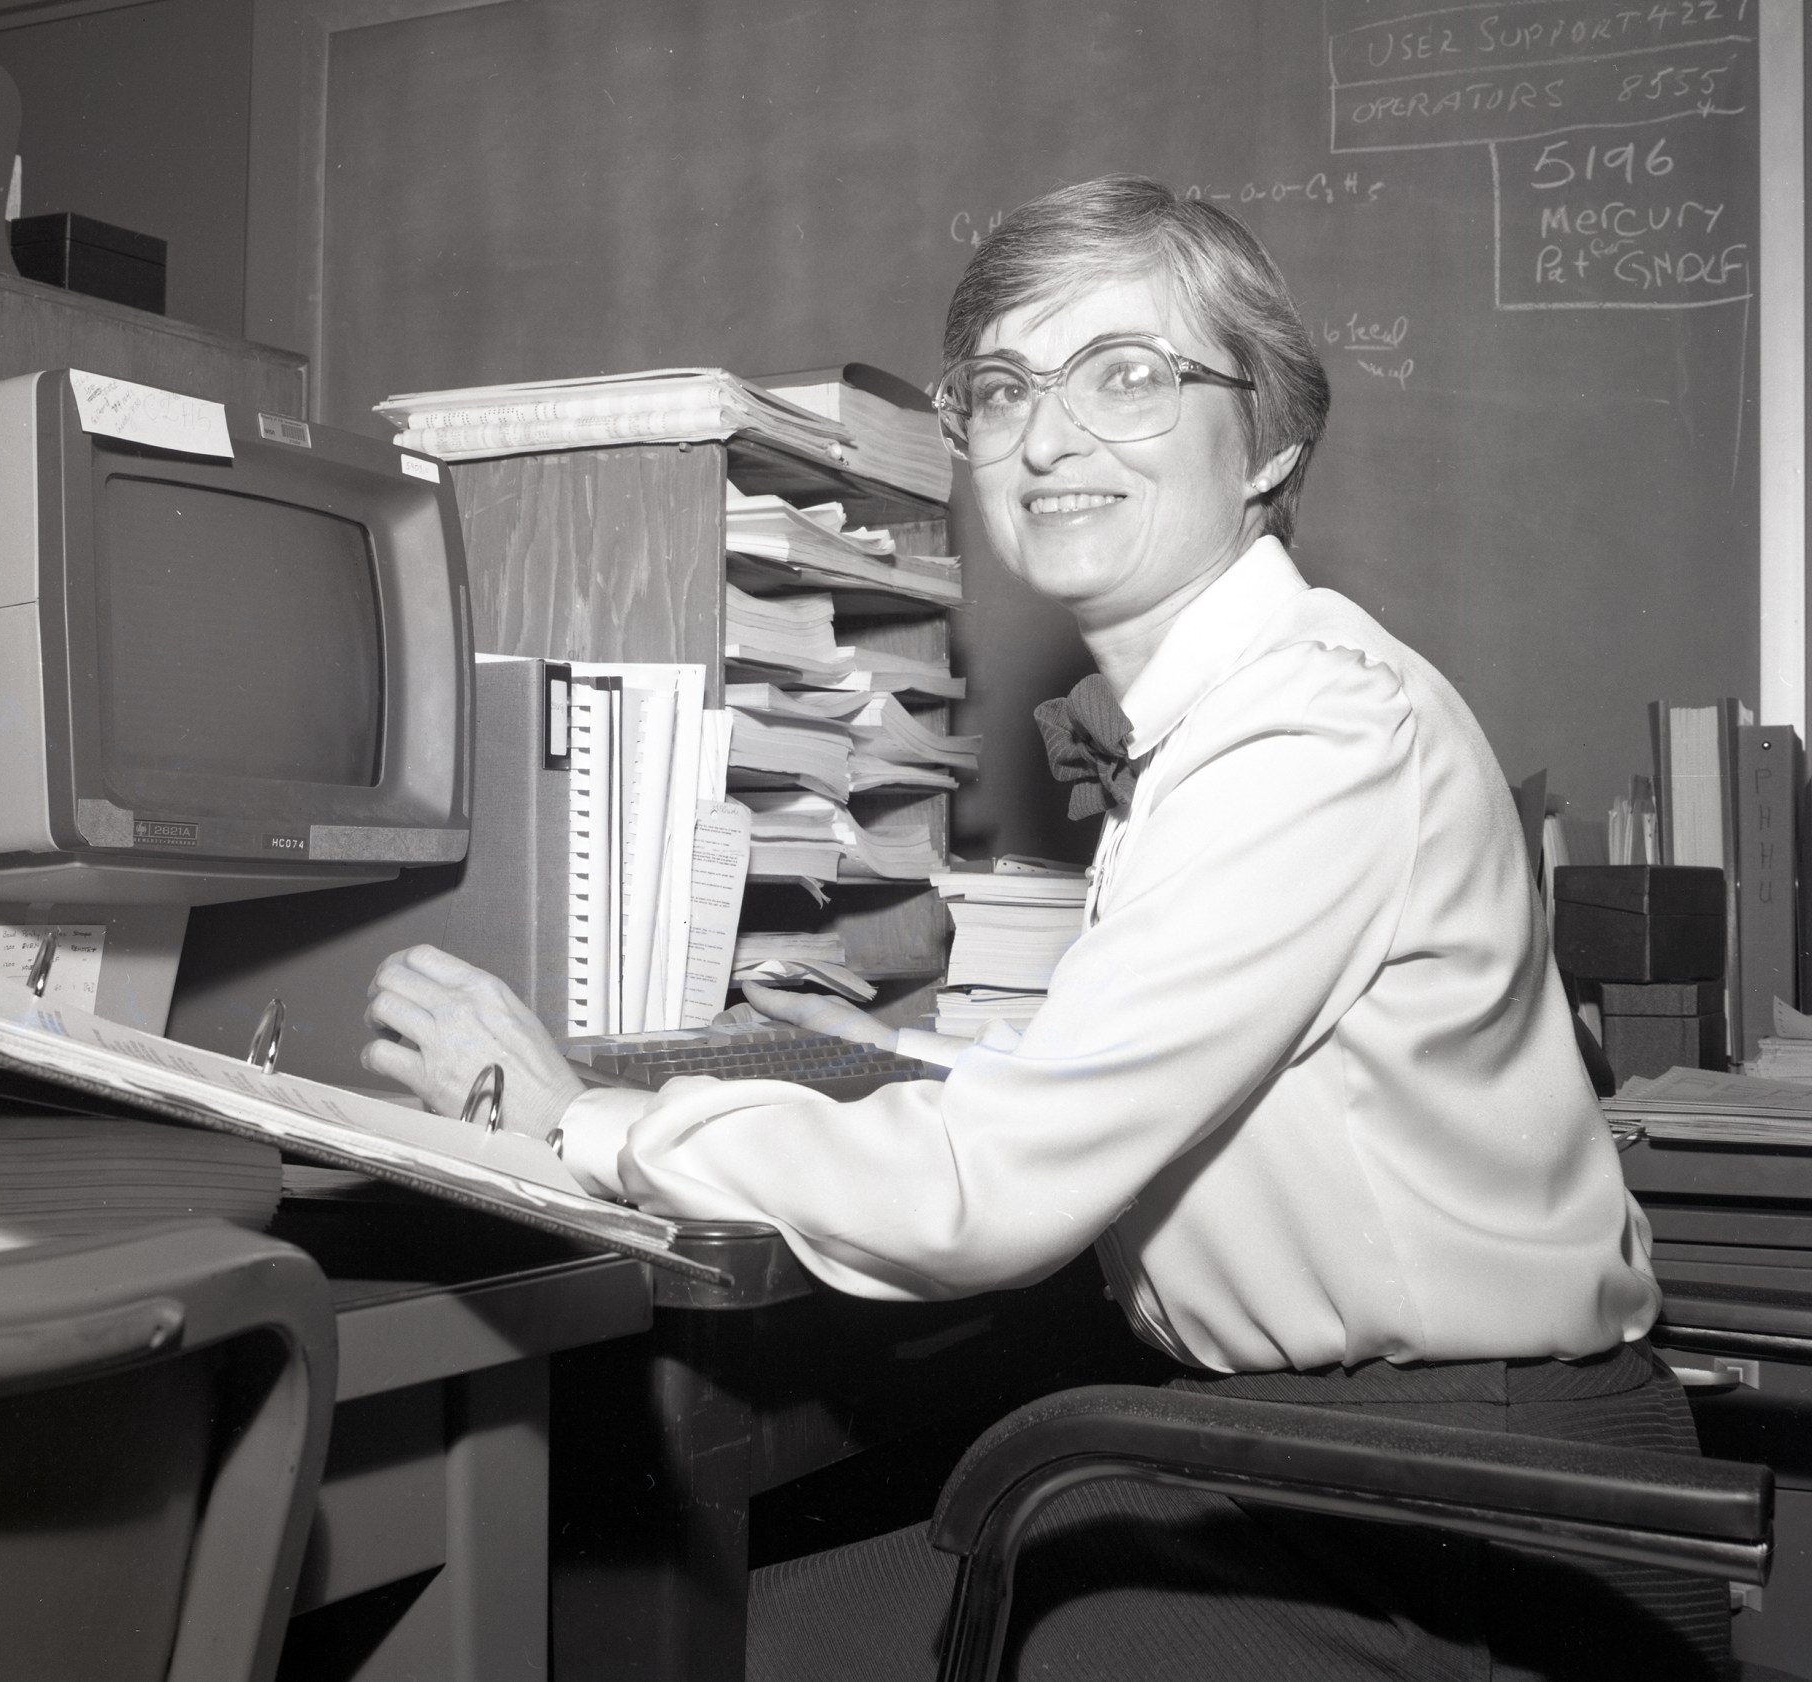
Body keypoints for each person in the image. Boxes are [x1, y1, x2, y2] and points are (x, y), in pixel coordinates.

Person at [363, 177, 1721, 1680]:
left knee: (686, 1642)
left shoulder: (1312, 732)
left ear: (1268, 436)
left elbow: (994, 1193)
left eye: (1127, 375)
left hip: (1457, 1528)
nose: (1049, 435)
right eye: (1004, 386)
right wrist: (932, 1056)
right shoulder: (1236, 709)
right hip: (1332, 1460)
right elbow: (1218, 1072)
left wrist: (583, 1119)